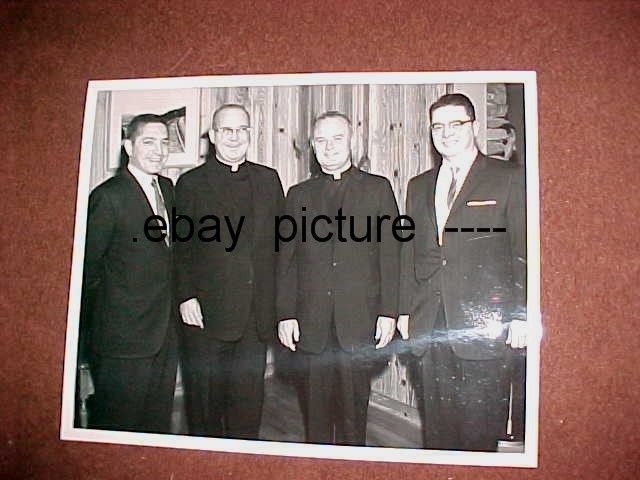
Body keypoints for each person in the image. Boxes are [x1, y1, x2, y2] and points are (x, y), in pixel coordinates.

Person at [398, 93, 527, 451]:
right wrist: (405, 311)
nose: (446, 133)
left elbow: (523, 252)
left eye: (456, 124)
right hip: (430, 322)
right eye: (438, 126)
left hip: (482, 324)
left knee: (478, 432)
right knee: (437, 431)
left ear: (474, 126)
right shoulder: (418, 185)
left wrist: (521, 313)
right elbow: (412, 254)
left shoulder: (508, 177)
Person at [277, 111, 400, 445]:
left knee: (352, 418)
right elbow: (287, 262)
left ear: (351, 141)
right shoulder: (298, 195)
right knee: (314, 419)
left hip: (357, 321)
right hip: (311, 322)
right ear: (312, 147)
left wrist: (389, 312)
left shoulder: (377, 189)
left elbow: (391, 255)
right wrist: (286, 313)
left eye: (337, 139)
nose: (329, 148)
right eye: (321, 140)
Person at [175, 104, 284, 439]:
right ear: (213, 136)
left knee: (248, 403)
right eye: (226, 130)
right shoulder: (191, 183)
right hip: (207, 311)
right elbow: (181, 248)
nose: (235, 137)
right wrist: (186, 295)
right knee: (205, 404)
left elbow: (282, 245)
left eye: (242, 130)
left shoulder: (269, 179)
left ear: (250, 134)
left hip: (255, 313)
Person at [80, 113, 177, 433]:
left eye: (164, 142)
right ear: (128, 146)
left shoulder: (168, 188)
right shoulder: (108, 196)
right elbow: (87, 272)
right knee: (118, 426)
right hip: (122, 341)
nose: (159, 150)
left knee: (156, 424)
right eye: (148, 142)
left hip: (164, 334)